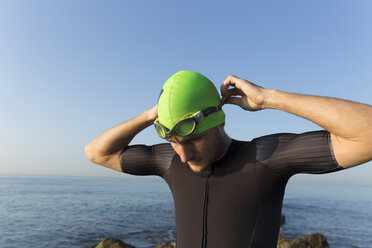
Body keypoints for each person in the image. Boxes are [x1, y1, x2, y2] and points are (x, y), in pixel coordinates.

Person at [84, 70, 372, 248]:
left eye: (192, 140)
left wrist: (269, 98)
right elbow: (96, 152)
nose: (183, 156)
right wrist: (151, 114)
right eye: (172, 143)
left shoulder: (265, 158)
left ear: (220, 122)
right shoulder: (168, 162)